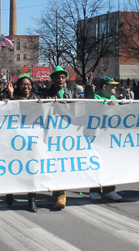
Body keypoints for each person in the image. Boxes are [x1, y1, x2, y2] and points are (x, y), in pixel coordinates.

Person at [41, 66, 79, 209]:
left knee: (64, 162)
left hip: (68, 133)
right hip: (52, 132)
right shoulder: (46, 93)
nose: (60, 80)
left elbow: (82, 107)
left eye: (63, 77)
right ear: (53, 79)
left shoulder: (71, 93)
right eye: (57, 77)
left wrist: (68, 106)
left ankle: (59, 192)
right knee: (55, 162)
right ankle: (60, 194)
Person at [5, 75, 40, 213]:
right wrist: (8, 99)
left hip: (32, 140)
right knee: (14, 168)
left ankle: (31, 201)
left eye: (29, 84)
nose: (26, 87)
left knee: (32, 170)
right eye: (23, 84)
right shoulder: (13, 99)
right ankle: (10, 192)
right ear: (18, 86)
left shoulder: (37, 98)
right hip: (16, 139)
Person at [87, 76, 123, 201]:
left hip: (110, 136)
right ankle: (94, 190)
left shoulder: (113, 98)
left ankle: (109, 189)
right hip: (96, 135)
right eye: (112, 85)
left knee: (110, 162)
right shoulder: (96, 97)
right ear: (104, 87)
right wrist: (106, 106)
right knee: (95, 162)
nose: (115, 88)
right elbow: (92, 111)